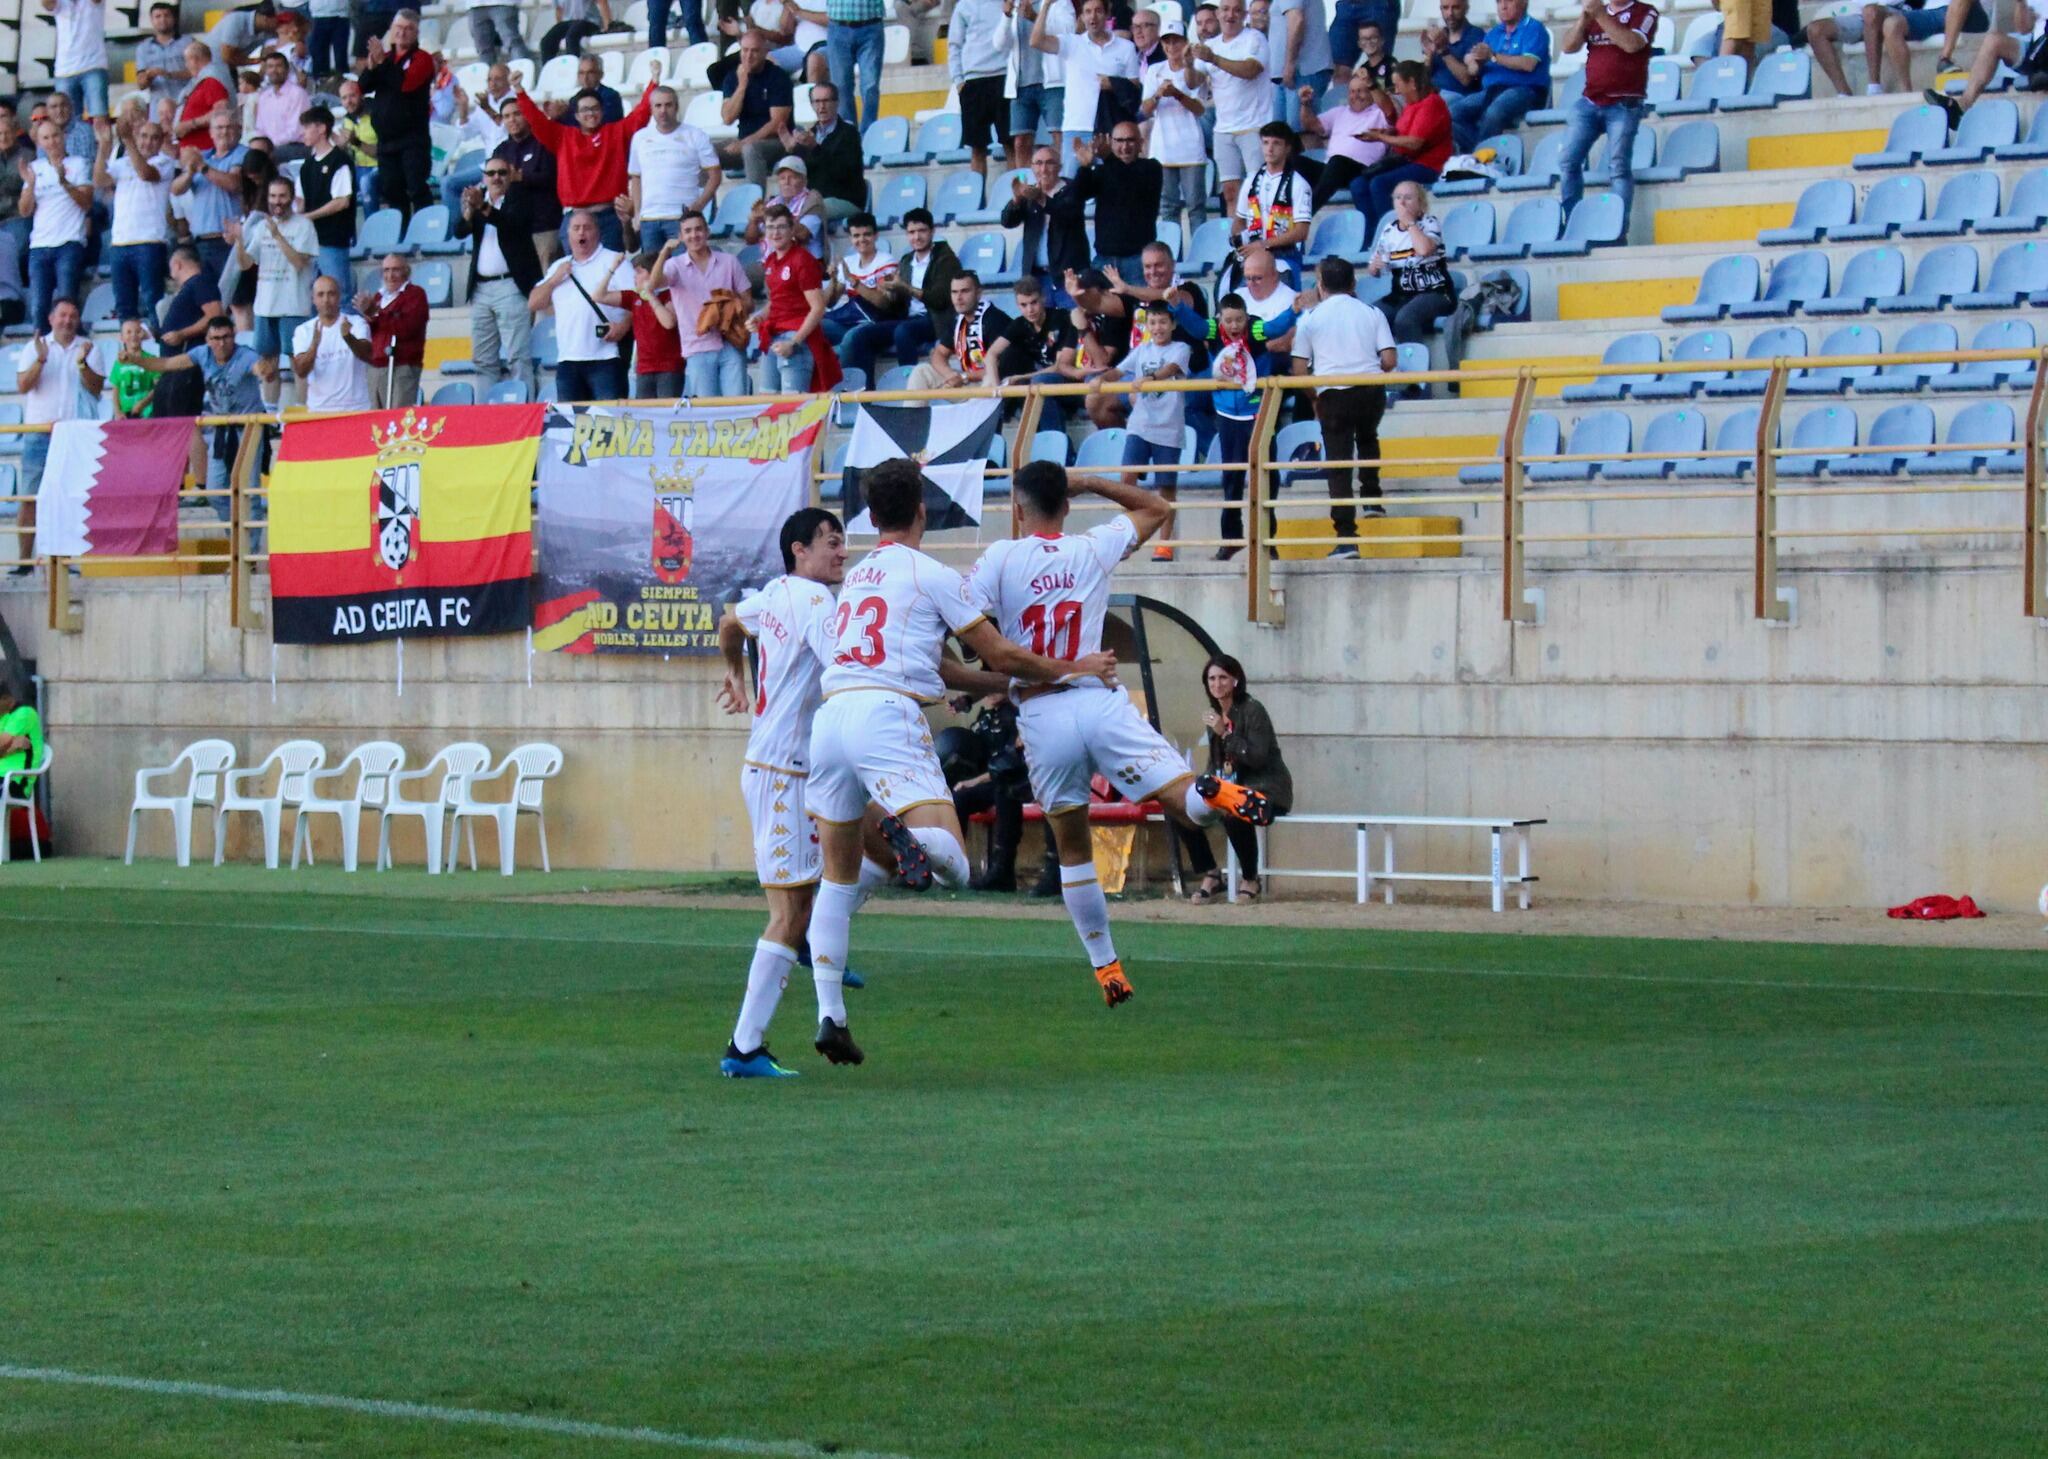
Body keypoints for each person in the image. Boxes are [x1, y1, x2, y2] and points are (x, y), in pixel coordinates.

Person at [801, 458, 1118, 1065]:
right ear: (923, 512)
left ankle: (830, 1016)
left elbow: (945, 664)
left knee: (839, 882)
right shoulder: (930, 573)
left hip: (832, 716)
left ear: (870, 517)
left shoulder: (860, 575)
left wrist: (993, 682)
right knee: (953, 864)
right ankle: (907, 839)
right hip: (886, 715)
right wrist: (1069, 669)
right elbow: (998, 648)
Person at [970, 464, 1273, 990]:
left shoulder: (1000, 557)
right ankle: (1212, 791)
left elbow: (966, 620)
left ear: (1017, 510)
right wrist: (1091, 483)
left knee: (1072, 848)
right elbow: (1158, 508)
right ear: (1066, 505)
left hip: (1043, 712)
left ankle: (1106, 965)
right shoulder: (1092, 547)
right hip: (1099, 700)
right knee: (1184, 801)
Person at [712, 507, 849, 1078]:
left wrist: (736, 676)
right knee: (788, 912)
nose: (841, 552)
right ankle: (744, 1048)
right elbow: (845, 668)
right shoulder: (817, 603)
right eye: (831, 542)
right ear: (799, 550)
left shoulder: (770, 595)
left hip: (784, 769)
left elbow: (727, 624)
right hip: (783, 773)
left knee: (818, 889)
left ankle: (823, 953)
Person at [1290, 254, 1395, 556]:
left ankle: (1347, 537)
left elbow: (1299, 369)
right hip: (1370, 391)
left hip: (1332, 394)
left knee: (1338, 466)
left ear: (1320, 285)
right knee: (1368, 438)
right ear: (1353, 283)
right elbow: (1389, 360)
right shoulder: (1371, 312)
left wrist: (1313, 396)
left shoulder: (1310, 319)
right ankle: (1372, 496)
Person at [120, 315, 266, 523]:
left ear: (234, 336)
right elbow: (167, 364)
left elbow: (260, 368)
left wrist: (266, 371)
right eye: (216, 338)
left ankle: (248, 550)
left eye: (226, 337)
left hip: (248, 429)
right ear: (207, 339)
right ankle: (236, 539)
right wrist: (135, 359)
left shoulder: (246, 355)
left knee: (250, 491)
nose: (221, 343)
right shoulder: (201, 354)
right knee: (215, 494)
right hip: (220, 430)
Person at [1177, 653, 1292, 901]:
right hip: (1229, 789)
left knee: (1234, 814)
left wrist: (1225, 733)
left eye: (1223, 678)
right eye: (1211, 679)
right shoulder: (1215, 714)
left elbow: (1258, 758)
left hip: (1265, 790)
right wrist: (1202, 784)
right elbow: (1216, 764)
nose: (1217, 684)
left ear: (1235, 680)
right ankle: (1211, 873)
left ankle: (1251, 879)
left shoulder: (1252, 710)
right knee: (1179, 807)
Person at [516, 68, 659, 254]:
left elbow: (640, 114)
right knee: (578, 277)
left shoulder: (616, 132)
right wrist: (519, 90)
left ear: (602, 111)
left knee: (611, 279)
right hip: (574, 219)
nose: (590, 114)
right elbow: (536, 120)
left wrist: (654, 80)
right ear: (575, 116)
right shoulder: (562, 136)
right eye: (585, 110)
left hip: (609, 218)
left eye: (595, 108)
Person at [13, 297, 103, 569]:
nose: (67, 320)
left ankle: (68, 562)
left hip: (74, 436)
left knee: (72, 498)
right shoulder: (35, 347)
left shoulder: (90, 349)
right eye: (62, 315)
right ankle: (24, 561)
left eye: (73, 316)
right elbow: (23, 386)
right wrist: (41, 360)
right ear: (51, 319)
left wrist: (83, 363)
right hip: (38, 433)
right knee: (30, 499)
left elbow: (96, 388)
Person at [1099, 305, 1191, 556]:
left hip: (1168, 428)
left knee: (1166, 487)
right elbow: (1119, 371)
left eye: (1162, 322)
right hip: (1140, 425)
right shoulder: (1141, 350)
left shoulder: (1181, 349)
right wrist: (1100, 379)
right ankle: (1126, 537)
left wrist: (1149, 380)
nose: (1158, 328)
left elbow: (1170, 369)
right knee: (1127, 478)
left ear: (1172, 324)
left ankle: (1165, 544)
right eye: (1153, 323)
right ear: (1147, 326)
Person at [1559, 0, 1656, 235]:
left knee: (1619, 168)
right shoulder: (1594, 13)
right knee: (1568, 162)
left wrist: (1600, 15)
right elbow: (1568, 47)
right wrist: (1584, 17)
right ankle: (1573, 223)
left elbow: (1632, 44)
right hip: (1590, 101)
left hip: (1624, 103)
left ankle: (1617, 229)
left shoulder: (1645, 11)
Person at [457, 154, 543, 396]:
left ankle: (525, 410)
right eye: (491, 173)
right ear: (484, 177)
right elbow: (459, 231)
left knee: (518, 356)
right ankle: (488, 414)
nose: (496, 178)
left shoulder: (520, 197)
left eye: (502, 173)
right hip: (481, 289)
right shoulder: (479, 203)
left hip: (511, 286)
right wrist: (469, 210)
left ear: (511, 175)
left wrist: (483, 207)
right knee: (483, 359)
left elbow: (511, 224)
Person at [531, 209, 634, 401]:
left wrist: (622, 326)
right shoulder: (558, 267)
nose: (581, 233)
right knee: (572, 426)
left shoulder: (615, 261)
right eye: (576, 228)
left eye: (587, 228)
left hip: (606, 358)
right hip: (568, 360)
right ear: (568, 234)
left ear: (597, 231)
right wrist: (554, 279)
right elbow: (534, 302)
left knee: (608, 423)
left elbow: (638, 301)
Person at [230, 176, 317, 404]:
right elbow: (246, 264)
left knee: (298, 363)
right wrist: (239, 241)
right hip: (265, 306)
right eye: (272, 196)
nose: (277, 201)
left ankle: (302, 413)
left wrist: (278, 236)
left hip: (293, 305)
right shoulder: (261, 227)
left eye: (282, 196)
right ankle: (270, 416)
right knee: (268, 364)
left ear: (291, 198)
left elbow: (299, 262)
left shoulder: (304, 226)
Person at [1032, 0, 1143, 178]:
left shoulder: (1126, 47)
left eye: (1098, 11)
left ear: (1107, 14)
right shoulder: (1072, 43)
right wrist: (1046, 6)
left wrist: (1113, 84)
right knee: (1072, 188)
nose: (1093, 16)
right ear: (1082, 17)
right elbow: (1036, 41)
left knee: (1109, 187)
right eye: (1088, 12)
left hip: (1109, 130)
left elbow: (1134, 89)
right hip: (1076, 127)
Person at [1192, 0, 1271, 221]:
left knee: (1258, 192)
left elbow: (1251, 70)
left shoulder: (1255, 38)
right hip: (1224, 128)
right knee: (1229, 192)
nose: (1230, 15)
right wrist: (1188, 63)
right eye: (1226, 9)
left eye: (1237, 10)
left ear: (1245, 14)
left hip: (1254, 125)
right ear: (1218, 13)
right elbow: (1194, 82)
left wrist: (1213, 59)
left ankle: (1260, 241)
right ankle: (1236, 246)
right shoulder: (1212, 45)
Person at [94, 115, 175, 327]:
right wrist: (104, 146)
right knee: (124, 306)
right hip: (120, 243)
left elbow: (146, 174)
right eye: (143, 136)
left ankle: (160, 349)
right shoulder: (122, 162)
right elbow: (99, 180)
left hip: (149, 241)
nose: (148, 142)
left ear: (161, 141)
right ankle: (129, 355)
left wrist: (128, 140)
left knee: (153, 302)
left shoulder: (165, 162)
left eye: (154, 138)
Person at [1356, 61, 1454, 234]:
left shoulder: (1432, 103)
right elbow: (1403, 131)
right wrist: (1387, 132)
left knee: (1379, 184)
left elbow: (1414, 142)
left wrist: (1380, 137)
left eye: (1398, 85)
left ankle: (1392, 234)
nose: (1397, 90)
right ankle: (1371, 234)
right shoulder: (1411, 104)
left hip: (1430, 166)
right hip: (1407, 162)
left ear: (1412, 83)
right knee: (1358, 183)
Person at [357, 9, 436, 222]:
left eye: (409, 29)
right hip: (386, 141)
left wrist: (383, 63)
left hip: (412, 139)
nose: (402, 33)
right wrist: (372, 66)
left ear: (416, 33)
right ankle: (401, 236)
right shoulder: (387, 58)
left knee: (416, 187)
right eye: (399, 28)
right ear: (391, 30)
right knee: (392, 191)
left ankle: (426, 231)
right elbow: (362, 88)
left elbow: (405, 85)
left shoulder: (423, 58)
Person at [663, 209, 752, 397]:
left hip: (730, 341)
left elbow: (749, 301)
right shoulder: (674, 264)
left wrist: (731, 308)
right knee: (706, 410)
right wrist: (664, 252)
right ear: (681, 236)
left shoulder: (730, 261)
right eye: (687, 231)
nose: (694, 235)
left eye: (698, 229)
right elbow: (654, 284)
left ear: (707, 232)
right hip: (697, 346)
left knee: (736, 406)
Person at [751, 203, 837, 393]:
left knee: (794, 407)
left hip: (795, 338)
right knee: (767, 402)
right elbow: (775, 301)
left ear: (792, 229)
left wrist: (795, 342)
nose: (775, 233)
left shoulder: (802, 260)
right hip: (773, 335)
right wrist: (760, 317)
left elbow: (818, 307)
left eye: (781, 227)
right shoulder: (772, 261)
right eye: (771, 227)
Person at [623, 85, 720, 251]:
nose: (663, 110)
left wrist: (698, 205)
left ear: (676, 107)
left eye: (668, 105)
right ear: (651, 108)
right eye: (658, 106)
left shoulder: (695, 135)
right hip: (649, 219)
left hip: (681, 218)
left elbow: (716, 175)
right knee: (653, 273)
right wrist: (638, 212)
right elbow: (636, 177)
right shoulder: (640, 138)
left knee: (684, 271)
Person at [1445, 0, 1551, 152]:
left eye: (1509, 1)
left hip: (1525, 89)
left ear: (1523, 3)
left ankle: (1481, 159)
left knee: (1495, 112)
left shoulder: (1534, 28)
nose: (1503, 6)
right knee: (1451, 114)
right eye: (1499, 2)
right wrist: (1474, 61)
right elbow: (1474, 71)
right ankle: (1479, 151)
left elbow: (1528, 64)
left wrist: (1493, 56)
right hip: (1492, 90)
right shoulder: (1494, 33)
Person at [19, 121, 92, 339]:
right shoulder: (35, 168)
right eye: (46, 138)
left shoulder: (78, 163)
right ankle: (40, 355)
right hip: (39, 245)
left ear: (64, 136)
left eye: (55, 136)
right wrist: (30, 185)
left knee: (67, 303)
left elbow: (87, 202)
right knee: (39, 308)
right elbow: (24, 211)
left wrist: (64, 181)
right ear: (39, 142)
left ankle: (73, 351)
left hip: (69, 243)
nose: (52, 142)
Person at [748, 81, 863, 218]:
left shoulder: (849, 133)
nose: (821, 106)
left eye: (826, 101)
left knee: (807, 209)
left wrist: (815, 148)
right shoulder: (811, 134)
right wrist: (790, 149)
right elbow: (799, 173)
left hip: (844, 199)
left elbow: (843, 173)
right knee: (770, 212)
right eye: (817, 102)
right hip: (812, 199)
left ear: (836, 103)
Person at [1365, 180, 1456, 344]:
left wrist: (1411, 224)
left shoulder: (1429, 223)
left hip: (1435, 292)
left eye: (1408, 198)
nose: (1402, 202)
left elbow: (1424, 250)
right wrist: (1375, 267)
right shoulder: (1388, 230)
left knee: (1405, 319)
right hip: (1401, 294)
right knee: (1371, 317)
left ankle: (1415, 365)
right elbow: (1374, 270)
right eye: (1398, 197)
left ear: (1420, 203)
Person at [1143, 17, 1211, 231]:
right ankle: (1171, 257)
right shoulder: (1155, 70)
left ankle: (1203, 261)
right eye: (1167, 41)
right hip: (1163, 149)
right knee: (1168, 208)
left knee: (1196, 207)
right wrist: (1157, 95)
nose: (1171, 47)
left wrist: (1177, 95)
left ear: (1185, 43)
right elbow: (1145, 109)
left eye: (1176, 41)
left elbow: (1200, 109)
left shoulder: (1197, 69)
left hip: (1190, 148)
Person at [1001, 144, 1090, 305]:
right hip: (1037, 280)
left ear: (1059, 167)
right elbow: (1007, 221)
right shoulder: (1030, 193)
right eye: (1039, 163)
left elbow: (1066, 214)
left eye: (1050, 163)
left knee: (1073, 325)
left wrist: (1041, 199)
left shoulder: (1073, 189)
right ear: (1032, 167)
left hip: (1068, 278)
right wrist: (1016, 200)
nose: (1044, 169)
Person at [1927, 4, 2042, 125]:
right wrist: (2020, 3)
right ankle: (1961, 107)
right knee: (1993, 41)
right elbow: (2024, 29)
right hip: (2038, 49)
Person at [1233, 120, 1312, 287]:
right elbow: (1239, 220)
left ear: (1287, 148)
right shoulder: (1251, 181)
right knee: (1230, 291)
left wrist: (1264, 245)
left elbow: (1301, 232)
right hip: (1252, 252)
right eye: (1266, 143)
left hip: (1284, 253)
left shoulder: (1298, 184)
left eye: (1276, 143)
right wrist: (1240, 245)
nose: (1270, 148)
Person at [1297, 68, 1389, 211]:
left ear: (1371, 92)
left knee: (1338, 161)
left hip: (1361, 170)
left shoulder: (1380, 113)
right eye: (1352, 91)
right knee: (1294, 162)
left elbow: (1390, 109)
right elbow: (1311, 125)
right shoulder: (1340, 111)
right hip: (1331, 171)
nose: (1356, 96)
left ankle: (1306, 214)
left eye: (1361, 91)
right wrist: (1305, 104)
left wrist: (1372, 84)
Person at [173, 110, 249, 283]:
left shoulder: (242, 153)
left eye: (229, 127)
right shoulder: (204, 156)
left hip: (227, 239)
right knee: (207, 301)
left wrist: (201, 167)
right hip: (200, 240)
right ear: (211, 132)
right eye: (219, 127)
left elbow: (233, 183)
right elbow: (176, 189)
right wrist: (189, 173)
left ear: (239, 130)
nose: (224, 132)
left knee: (236, 301)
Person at [999, 0, 1072, 171]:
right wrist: (1006, 17)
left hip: (1052, 83)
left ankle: (1064, 184)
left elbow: (1068, 31)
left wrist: (1035, 17)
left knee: (1059, 136)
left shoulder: (1059, 3)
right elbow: (999, 44)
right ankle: (1026, 188)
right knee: (1020, 142)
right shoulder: (1014, 3)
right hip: (1021, 85)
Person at [908, 271, 1014, 390]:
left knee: (989, 379)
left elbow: (1000, 368)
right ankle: (912, 410)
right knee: (922, 371)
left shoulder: (996, 319)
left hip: (994, 385)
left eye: (965, 291)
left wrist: (964, 377)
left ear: (978, 293)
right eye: (954, 292)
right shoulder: (958, 320)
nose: (958, 298)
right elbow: (939, 353)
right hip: (968, 382)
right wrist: (951, 375)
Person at [350, 253, 430, 407]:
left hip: (401, 367)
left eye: (395, 270)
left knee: (397, 418)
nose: (390, 275)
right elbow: (372, 329)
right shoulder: (378, 297)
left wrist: (376, 313)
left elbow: (407, 328)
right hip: (376, 367)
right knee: (375, 422)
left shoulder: (415, 294)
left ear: (406, 272)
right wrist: (368, 314)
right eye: (386, 270)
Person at [293, 106, 356, 287]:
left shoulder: (339, 161)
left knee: (339, 294)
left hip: (333, 239)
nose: (302, 133)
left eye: (306, 127)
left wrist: (308, 217)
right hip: (311, 242)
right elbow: (300, 201)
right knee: (313, 298)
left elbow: (342, 201)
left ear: (321, 128)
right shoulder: (307, 166)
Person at [289, 275, 372, 412]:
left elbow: (367, 354)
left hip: (356, 409)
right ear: (313, 299)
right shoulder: (303, 330)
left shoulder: (356, 323)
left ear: (339, 297)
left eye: (331, 294)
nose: (326, 300)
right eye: (320, 295)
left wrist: (348, 337)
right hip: (319, 411)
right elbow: (301, 371)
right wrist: (314, 346)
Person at [719, 29, 797, 173]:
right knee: (704, 152)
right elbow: (727, 118)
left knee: (751, 150)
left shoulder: (778, 77)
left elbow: (777, 123)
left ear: (765, 52)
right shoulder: (732, 78)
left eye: (754, 51)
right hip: (743, 140)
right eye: (745, 50)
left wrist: (744, 143)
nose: (748, 56)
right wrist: (742, 86)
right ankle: (702, 196)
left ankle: (756, 195)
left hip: (776, 142)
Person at [951, 0, 1013, 178]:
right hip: (974, 81)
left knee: (1011, 145)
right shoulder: (963, 6)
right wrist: (958, 81)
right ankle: (978, 200)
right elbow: (954, 45)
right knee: (977, 148)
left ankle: (1018, 201)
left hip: (1004, 77)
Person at [495, 103, 562, 265]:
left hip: (544, 227)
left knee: (549, 285)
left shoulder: (544, 143)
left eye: (517, 114)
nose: (512, 120)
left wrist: (521, 177)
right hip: (515, 231)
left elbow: (553, 178)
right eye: (507, 116)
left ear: (527, 115)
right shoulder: (501, 151)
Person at [820, 210, 900, 347]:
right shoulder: (849, 262)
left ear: (876, 236)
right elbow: (830, 303)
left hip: (875, 324)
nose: (861, 240)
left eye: (866, 234)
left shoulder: (886, 261)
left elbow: (883, 303)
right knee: (815, 324)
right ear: (850, 239)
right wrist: (833, 279)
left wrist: (853, 281)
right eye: (856, 236)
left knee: (852, 338)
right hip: (850, 322)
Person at [625, 248, 685, 398]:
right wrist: (611, 270)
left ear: (652, 274)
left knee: (667, 414)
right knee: (645, 418)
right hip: (644, 367)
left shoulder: (670, 294)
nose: (635, 277)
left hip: (669, 367)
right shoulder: (635, 297)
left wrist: (650, 295)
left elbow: (669, 322)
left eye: (639, 272)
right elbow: (598, 296)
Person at [825, 0, 887, 133]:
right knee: (841, 87)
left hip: (871, 26)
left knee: (870, 86)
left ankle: (868, 135)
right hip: (838, 27)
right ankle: (849, 137)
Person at [1270, 0, 1333, 129]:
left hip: (1301, 73)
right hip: (1290, 75)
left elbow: (1296, 20)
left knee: (1299, 136)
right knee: (1280, 137)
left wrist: (1289, 64)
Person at [43, 0, 109, 121]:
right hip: (64, 70)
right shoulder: (61, 3)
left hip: (93, 66)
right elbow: (47, 3)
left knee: (100, 118)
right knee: (66, 123)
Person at [171, 42, 235, 152]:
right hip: (193, 152)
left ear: (194, 59)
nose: (186, 66)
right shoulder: (201, 81)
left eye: (186, 61)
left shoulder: (212, 80)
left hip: (206, 151)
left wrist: (190, 125)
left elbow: (220, 112)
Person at [251, 52, 313, 155]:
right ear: (266, 70)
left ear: (287, 70)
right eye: (270, 66)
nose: (274, 70)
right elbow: (260, 128)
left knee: (268, 158)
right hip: (271, 147)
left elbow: (295, 131)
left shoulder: (297, 94)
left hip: (296, 146)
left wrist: (268, 146)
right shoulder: (264, 97)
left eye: (278, 66)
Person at [1420, 0, 1483, 97]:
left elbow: (1466, 80)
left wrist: (1443, 51)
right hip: (1432, 92)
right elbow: (1425, 77)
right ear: (1440, 9)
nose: (1450, 13)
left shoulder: (1476, 35)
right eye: (1445, 8)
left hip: (1458, 96)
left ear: (1466, 8)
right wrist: (1429, 57)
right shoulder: (1439, 34)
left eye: (1456, 7)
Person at [135, 3, 191, 111]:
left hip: (185, 103)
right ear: (151, 20)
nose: (163, 19)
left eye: (166, 15)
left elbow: (196, 73)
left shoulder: (188, 42)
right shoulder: (143, 48)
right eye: (158, 16)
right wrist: (149, 76)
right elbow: (141, 85)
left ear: (174, 18)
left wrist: (168, 74)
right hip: (158, 108)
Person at [108, 317, 161, 418]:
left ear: (142, 335)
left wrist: (143, 403)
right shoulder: (119, 362)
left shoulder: (151, 359)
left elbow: (157, 387)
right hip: (125, 415)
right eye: (128, 332)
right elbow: (115, 390)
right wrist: (117, 411)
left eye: (137, 331)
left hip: (147, 414)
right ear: (122, 337)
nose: (133, 335)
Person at [0, 680, 46, 794]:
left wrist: (5, 747)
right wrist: (10, 747)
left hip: (15, 781)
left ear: (5, 699)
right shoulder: (4, 717)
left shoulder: (24, 713)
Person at [540, 0, 627, 59]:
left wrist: (608, 25)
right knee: (546, 41)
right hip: (569, 22)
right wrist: (558, 31)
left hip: (589, 21)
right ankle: (548, 72)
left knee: (571, 36)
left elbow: (602, 2)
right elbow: (559, 10)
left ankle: (574, 70)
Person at [472, 0, 537, 65]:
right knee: (483, 49)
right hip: (475, 5)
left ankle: (522, 72)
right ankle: (486, 74)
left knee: (512, 43)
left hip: (503, 3)